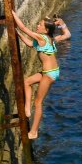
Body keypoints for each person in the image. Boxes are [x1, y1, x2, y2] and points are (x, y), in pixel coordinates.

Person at [12, 11, 60, 140]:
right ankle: (27, 109)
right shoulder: (45, 39)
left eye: (40, 25)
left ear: (46, 30)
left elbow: (24, 28)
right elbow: (28, 43)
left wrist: (12, 14)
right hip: (50, 72)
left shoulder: (42, 38)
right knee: (27, 82)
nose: (37, 26)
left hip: (49, 74)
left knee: (38, 102)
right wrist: (17, 34)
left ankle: (33, 132)